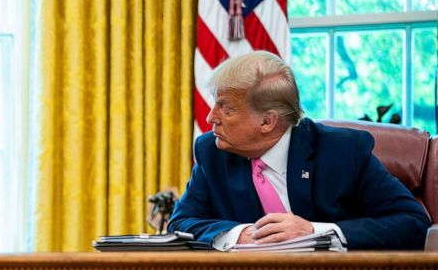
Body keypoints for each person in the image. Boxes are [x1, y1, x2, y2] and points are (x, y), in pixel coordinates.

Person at [169, 51, 430, 250]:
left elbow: (413, 223)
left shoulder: (343, 152)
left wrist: (315, 232)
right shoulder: (212, 152)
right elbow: (180, 223)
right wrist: (239, 234)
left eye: (226, 108)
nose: (211, 118)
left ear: (268, 121)